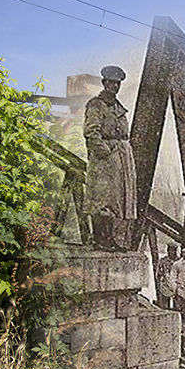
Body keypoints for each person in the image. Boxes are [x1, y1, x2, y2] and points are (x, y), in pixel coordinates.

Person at [83, 65, 137, 250]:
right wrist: (105, 152)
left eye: (117, 83)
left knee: (116, 200)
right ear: (104, 83)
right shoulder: (96, 105)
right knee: (101, 199)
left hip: (119, 159)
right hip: (104, 161)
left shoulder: (117, 107)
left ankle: (110, 239)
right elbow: (91, 132)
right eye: (111, 82)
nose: (114, 86)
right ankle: (100, 240)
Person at [164, 245, 185, 314]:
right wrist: (175, 288)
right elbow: (172, 277)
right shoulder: (177, 264)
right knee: (181, 308)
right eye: (184, 252)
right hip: (181, 289)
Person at [155, 243, 179, 308]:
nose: (171, 252)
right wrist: (159, 284)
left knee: (177, 306)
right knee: (164, 305)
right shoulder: (163, 261)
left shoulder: (179, 261)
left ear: (175, 251)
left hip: (176, 285)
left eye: (173, 250)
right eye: (169, 250)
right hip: (165, 285)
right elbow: (159, 274)